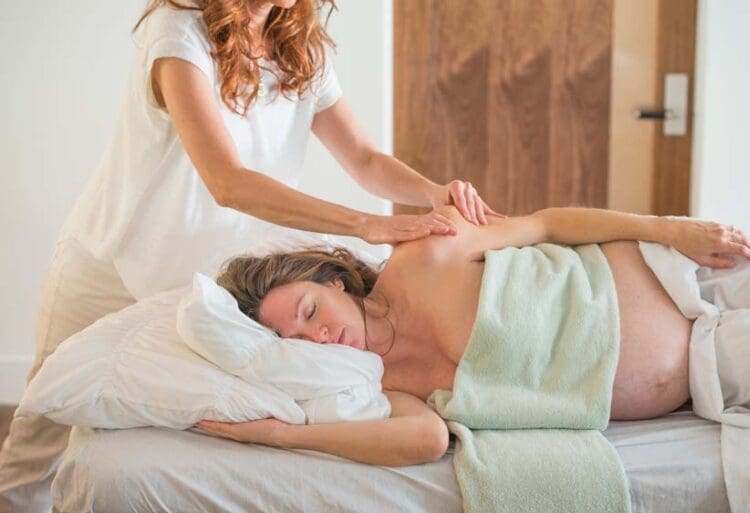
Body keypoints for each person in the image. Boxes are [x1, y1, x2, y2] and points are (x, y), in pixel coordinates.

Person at [0, 1, 498, 509]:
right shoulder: (178, 32)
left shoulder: (300, 46)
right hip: (107, 258)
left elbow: (364, 159)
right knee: (43, 424)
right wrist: (365, 223)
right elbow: (227, 182)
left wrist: (431, 192)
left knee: (174, 418)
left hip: (204, 281)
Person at [195, 205, 750, 467]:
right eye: (294, 338)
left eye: (310, 308)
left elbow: (544, 224)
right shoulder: (383, 387)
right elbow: (426, 443)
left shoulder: (421, 254)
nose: (317, 335)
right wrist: (278, 438)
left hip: (686, 273)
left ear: (338, 281)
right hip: (708, 360)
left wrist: (666, 228)